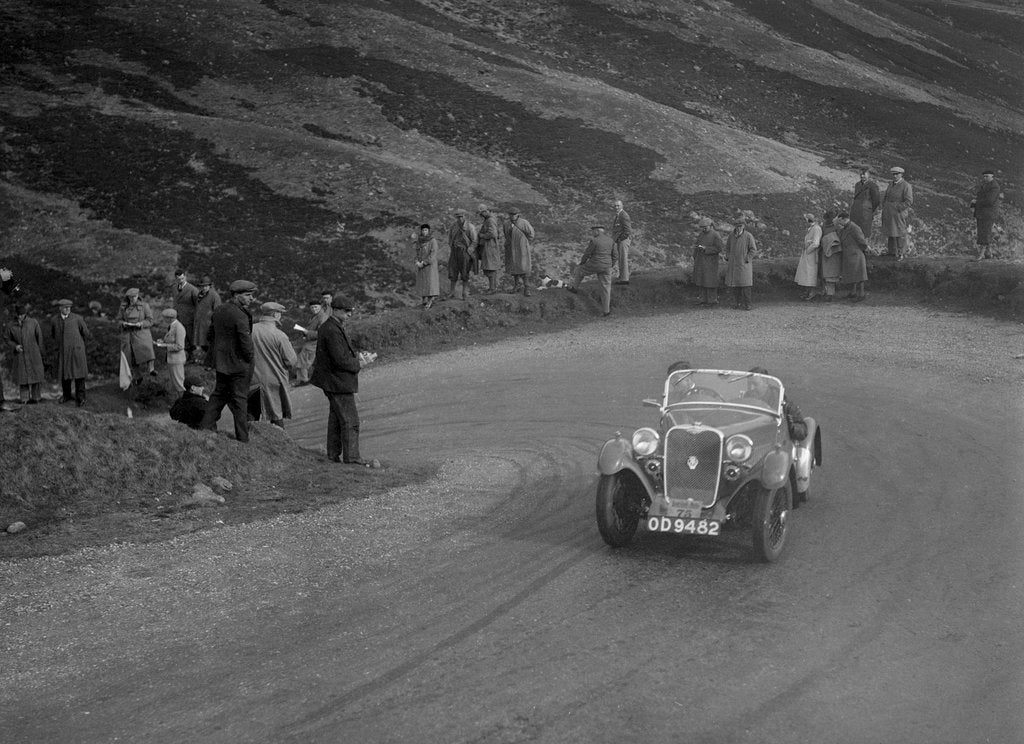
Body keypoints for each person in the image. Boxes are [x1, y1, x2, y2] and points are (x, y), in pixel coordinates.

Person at [310, 294, 370, 465]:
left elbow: (341, 354)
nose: (350, 314)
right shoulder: (331, 329)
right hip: (337, 383)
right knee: (351, 420)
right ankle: (352, 458)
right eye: (347, 311)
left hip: (331, 381)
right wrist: (360, 362)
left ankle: (333, 455)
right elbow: (340, 359)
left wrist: (357, 355)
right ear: (335, 310)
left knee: (336, 419)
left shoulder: (332, 325)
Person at [200, 279, 256, 442]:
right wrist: (249, 359)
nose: (251, 299)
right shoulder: (240, 315)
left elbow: (210, 335)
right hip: (239, 365)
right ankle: (243, 438)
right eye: (248, 295)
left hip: (222, 364)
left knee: (218, 396)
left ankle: (204, 428)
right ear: (237, 295)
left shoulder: (219, 310)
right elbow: (246, 343)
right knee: (240, 400)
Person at [251, 301, 297, 429]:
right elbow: (291, 361)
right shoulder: (279, 335)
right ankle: (281, 444)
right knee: (276, 416)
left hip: (251, 380)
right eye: (280, 314)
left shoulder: (250, 330)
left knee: (251, 416)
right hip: (273, 381)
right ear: (276, 315)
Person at [568, 225, 619, 317]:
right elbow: (615, 255)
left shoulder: (594, 241)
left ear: (597, 231)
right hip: (607, 266)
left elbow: (587, 253)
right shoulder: (611, 240)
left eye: (593, 231)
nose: (592, 233)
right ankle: (606, 311)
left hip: (595, 264)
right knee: (606, 287)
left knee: (580, 270)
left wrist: (582, 263)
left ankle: (574, 288)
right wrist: (611, 264)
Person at [747, 367, 806, 441]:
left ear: (766, 383)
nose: (752, 388)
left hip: (775, 441)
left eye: (755, 384)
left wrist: (792, 427)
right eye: (749, 385)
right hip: (747, 441)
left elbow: (802, 432)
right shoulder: (745, 400)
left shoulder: (785, 405)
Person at [52, 298, 91, 406]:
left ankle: (81, 398)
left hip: (77, 352)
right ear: (60, 308)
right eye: (65, 308)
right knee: (65, 375)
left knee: (79, 376)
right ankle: (66, 395)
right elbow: (53, 335)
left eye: (69, 307)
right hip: (64, 353)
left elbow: (86, 333)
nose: (67, 309)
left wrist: (79, 346)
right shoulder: (55, 320)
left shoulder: (77, 318)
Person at [7, 304, 45, 404]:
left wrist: (41, 352)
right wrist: (15, 346)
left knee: (35, 376)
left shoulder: (33, 322)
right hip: (20, 354)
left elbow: (39, 338)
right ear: (16, 314)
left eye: (22, 314)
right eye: (19, 315)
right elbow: (7, 339)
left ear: (25, 314)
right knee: (22, 378)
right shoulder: (11, 325)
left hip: (34, 354)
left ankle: (36, 398)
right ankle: (24, 399)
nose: (21, 316)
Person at [118, 288, 156, 383]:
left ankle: (151, 369)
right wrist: (123, 324)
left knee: (148, 350)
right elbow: (119, 320)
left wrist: (141, 324)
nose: (132, 299)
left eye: (134, 297)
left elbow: (150, 320)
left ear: (138, 296)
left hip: (142, 333)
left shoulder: (144, 306)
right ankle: (137, 376)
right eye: (130, 297)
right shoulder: (123, 307)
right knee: (132, 355)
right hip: (128, 334)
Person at [724, 216, 756, 310]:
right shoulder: (731, 236)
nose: (738, 228)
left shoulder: (748, 236)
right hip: (733, 265)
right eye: (737, 226)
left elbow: (753, 250)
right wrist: (728, 256)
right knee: (735, 286)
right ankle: (737, 303)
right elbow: (727, 248)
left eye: (740, 226)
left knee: (745, 286)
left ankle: (747, 304)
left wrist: (747, 258)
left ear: (743, 226)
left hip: (744, 265)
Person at [881, 166, 913, 261]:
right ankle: (892, 252)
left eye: (897, 174)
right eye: (893, 174)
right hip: (889, 212)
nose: (895, 176)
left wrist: (898, 208)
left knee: (900, 232)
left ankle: (901, 253)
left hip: (899, 213)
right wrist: (884, 205)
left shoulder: (906, 185)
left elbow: (909, 201)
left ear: (901, 174)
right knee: (890, 231)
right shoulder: (891, 184)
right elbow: (886, 196)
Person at [836, 211, 869, 301]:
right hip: (848, 255)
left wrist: (860, 250)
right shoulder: (844, 228)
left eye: (840, 220)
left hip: (856, 254)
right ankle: (853, 293)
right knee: (852, 275)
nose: (839, 223)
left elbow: (862, 241)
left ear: (844, 219)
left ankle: (861, 294)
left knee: (859, 275)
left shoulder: (854, 228)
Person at [446, 209, 478, 300]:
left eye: (461, 216)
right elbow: (450, 238)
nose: (460, 218)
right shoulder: (454, 226)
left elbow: (474, 241)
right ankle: (451, 292)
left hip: (464, 252)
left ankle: (464, 293)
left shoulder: (470, 227)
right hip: (455, 251)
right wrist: (452, 247)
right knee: (452, 271)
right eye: (458, 217)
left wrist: (469, 251)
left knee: (464, 271)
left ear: (465, 216)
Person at [294, 299, 326, 386]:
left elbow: (321, 333)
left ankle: (303, 380)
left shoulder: (322, 317)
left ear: (320, 307)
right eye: (312, 307)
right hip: (310, 342)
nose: (314, 309)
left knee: (303, 360)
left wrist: (307, 332)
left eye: (316, 307)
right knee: (303, 360)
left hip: (314, 343)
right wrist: (304, 332)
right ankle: (302, 379)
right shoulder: (314, 316)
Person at [503, 207, 534, 296]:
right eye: (510, 215)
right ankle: (516, 286)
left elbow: (531, 235)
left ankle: (527, 288)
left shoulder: (524, 223)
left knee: (524, 268)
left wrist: (524, 243)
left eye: (514, 215)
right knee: (514, 267)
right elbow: (506, 235)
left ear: (518, 215)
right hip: (511, 248)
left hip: (522, 248)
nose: (512, 216)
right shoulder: (506, 224)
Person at [693, 217, 724, 306]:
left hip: (711, 262)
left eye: (705, 227)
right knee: (701, 280)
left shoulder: (715, 235)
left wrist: (706, 249)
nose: (703, 229)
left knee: (710, 281)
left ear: (710, 226)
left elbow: (719, 248)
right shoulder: (701, 235)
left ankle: (712, 300)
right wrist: (695, 255)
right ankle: (702, 299)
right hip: (701, 261)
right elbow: (696, 245)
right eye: (702, 227)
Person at [971, 169, 1001, 260]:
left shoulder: (994, 187)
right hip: (982, 213)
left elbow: (989, 201)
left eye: (987, 176)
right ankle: (988, 253)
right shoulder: (985, 185)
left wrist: (976, 202)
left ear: (992, 176)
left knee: (984, 232)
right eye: (984, 176)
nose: (985, 178)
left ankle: (981, 255)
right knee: (983, 231)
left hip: (988, 213)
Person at [159, 308, 188, 402]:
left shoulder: (178, 328)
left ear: (170, 318)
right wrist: (163, 341)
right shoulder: (173, 326)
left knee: (179, 383)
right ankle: (181, 403)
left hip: (177, 359)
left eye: (165, 318)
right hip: (172, 359)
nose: (164, 320)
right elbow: (171, 340)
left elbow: (180, 346)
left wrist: (165, 346)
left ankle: (184, 403)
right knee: (175, 383)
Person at [193, 276, 221, 363]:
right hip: (201, 323)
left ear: (209, 286)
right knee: (202, 343)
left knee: (210, 343)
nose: (204, 288)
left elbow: (218, 311)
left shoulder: (214, 295)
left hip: (209, 324)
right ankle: (205, 360)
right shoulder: (199, 295)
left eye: (206, 286)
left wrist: (214, 322)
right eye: (202, 286)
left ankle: (212, 362)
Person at [172, 269, 199, 358]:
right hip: (178, 317)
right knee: (179, 337)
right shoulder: (174, 288)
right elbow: (175, 302)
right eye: (178, 279)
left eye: (182, 278)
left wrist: (195, 317)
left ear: (185, 277)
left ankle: (191, 356)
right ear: (176, 279)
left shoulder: (193, 289)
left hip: (188, 318)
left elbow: (198, 305)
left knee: (189, 337)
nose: (180, 281)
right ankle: (181, 355)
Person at [795, 213, 822, 301]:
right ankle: (808, 291)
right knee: (807, 273)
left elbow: (816, 243)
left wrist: (808, 250)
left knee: (811, 273)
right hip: (807, 254)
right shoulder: (811, 228)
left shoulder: (816, 228)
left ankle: (812, 292)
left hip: (811, 254)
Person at [476, 205, 502, 294]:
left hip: (490, 247)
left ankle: (492, 288)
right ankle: (492, 288)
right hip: (488, 247)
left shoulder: (490, 220)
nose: (481, 215)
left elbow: (493, 234)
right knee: (489, 267)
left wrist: (482, 235)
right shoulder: (489, 220)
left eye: (482, 213)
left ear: (486, 211)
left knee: (490, 268)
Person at [413, 223, 440, 308]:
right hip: (421, 265)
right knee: (422, 283)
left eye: (426, 230)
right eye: (423, 230)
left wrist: (424, 263)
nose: (424, 232)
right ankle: (424, 300)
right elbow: (417, 252)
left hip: (429, 266)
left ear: (428, 231)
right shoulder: (419, 241)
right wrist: (417, 261)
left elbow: (433, 254)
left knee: (430, 283)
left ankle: (430, 300)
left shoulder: (432, 240)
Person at [851, 168, 881, 239]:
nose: (862, 176)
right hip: (855, 211)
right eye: (861, 174)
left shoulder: (872, 185)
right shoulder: (857, 185)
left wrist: (869, 208)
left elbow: (876, 200)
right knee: (853, 230)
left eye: (864, 174)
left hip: (865, 213)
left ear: (869, 175)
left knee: (864, 232)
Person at [819, 210, 841, 302]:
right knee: (825, 273)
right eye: (828, 217)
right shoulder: (823, 226)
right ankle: (826, 292)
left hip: (834, 252)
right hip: (825, 252)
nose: (830, 219)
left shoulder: (837, 227)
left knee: (831, 274)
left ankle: (830, 294)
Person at [612, 199, 633, 285]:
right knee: (621, 258)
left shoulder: (623, 215)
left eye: (618, 206)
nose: (616, 207)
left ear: (622, 206)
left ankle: (624, 279)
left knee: (623, 258)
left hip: (624, 240)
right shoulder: (619, 215)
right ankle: (622, 277)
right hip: (620, 240)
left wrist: (621, 239)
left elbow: (627, 230)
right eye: (615, 206)